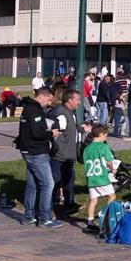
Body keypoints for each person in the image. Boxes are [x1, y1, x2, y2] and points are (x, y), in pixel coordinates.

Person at [14, 86, 59, 228]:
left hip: (28, 151)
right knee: (48, 183)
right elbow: (36, 133)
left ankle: (29, 216)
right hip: (36, 152)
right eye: (49, 100)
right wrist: (51, 133)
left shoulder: (28, 108)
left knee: (32, 185)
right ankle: (45, 217)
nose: (49, 103)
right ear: (42, 97)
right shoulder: (34, 111)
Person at [48, 88, 84, 216]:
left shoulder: (70, 112)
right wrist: (57, 148)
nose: (79, 102)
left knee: (69, 178)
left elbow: (71, 128)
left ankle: (69, 203)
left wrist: (81, 129)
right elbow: (56, 132)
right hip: (60, 155)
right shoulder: (62, 113)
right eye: (77, 100)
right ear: (69, 100)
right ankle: (49, 207)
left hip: (68, 155)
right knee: (55, 180)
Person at [81, 124, 118, 231]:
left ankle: (90, 221)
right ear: (101, 135)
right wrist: (112, 169)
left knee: (93, 200)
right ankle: (104, 215)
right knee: (112, 196)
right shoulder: (104, 147)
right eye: (105, 136)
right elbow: (109, 161)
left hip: (91, 177)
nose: (105, 138)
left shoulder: (87, 148)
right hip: (101, 177)